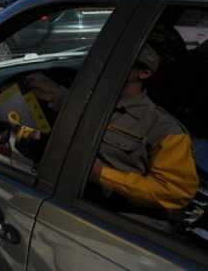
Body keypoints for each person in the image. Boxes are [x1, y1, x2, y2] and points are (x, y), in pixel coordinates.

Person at [24, 44, 199, 211]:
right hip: (65, 197)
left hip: (118, 219)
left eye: (120, 60)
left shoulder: (165, 129)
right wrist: (53, 92)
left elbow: (175, 192)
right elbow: (77, 108)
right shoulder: (95, 102)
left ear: (144, 73)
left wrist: (101, 174)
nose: (107, 64)